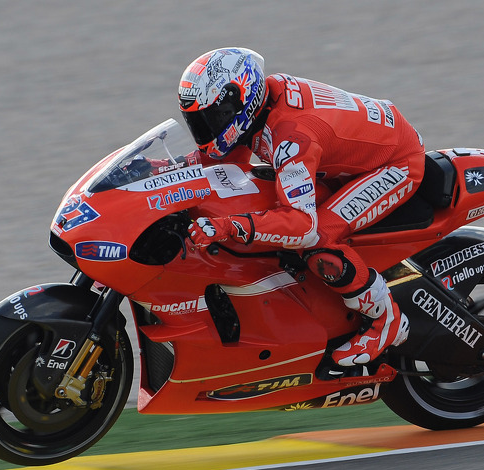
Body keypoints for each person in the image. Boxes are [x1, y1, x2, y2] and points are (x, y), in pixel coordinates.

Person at [180, 47, 422, 375]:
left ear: (241, 99)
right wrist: (160, 170)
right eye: (198, 121)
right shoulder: (260, 105)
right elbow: (223, 158)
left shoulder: (292, 137)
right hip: (341, 163)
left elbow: (303, 225)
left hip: (395, 165)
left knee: (317, 240)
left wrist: (229, 227)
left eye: (212, 118)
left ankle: (386, 320)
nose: (206, 130)